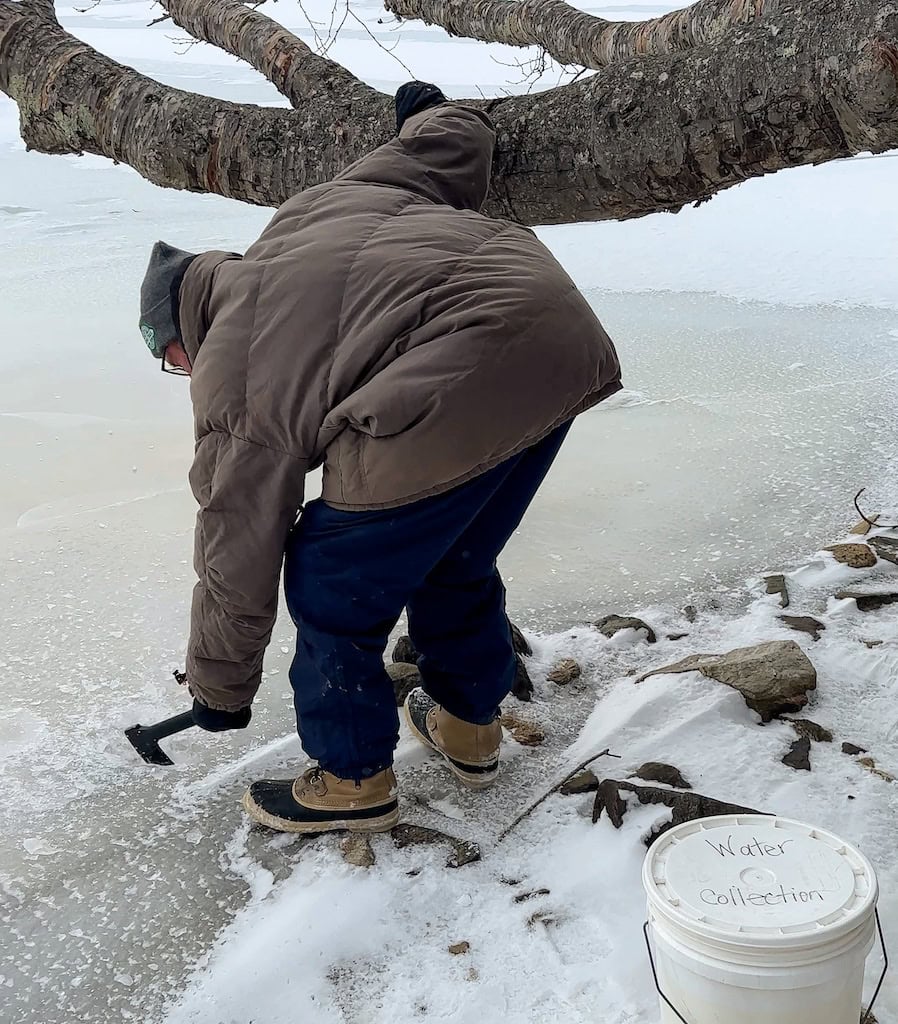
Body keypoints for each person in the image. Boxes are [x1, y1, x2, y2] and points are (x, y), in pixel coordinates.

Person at [138, 82, 622, 834]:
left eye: (165, 356)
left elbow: (238, 536)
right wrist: (425, 110)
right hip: (559, 344)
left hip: (456, 373)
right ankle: (467, 726)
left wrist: (219, 692)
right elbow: (448, 145)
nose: (176, 369)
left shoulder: (232, 360)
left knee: (331, 578)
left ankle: (350, 779)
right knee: (450, 551)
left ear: (178, 328)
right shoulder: (314, 210)